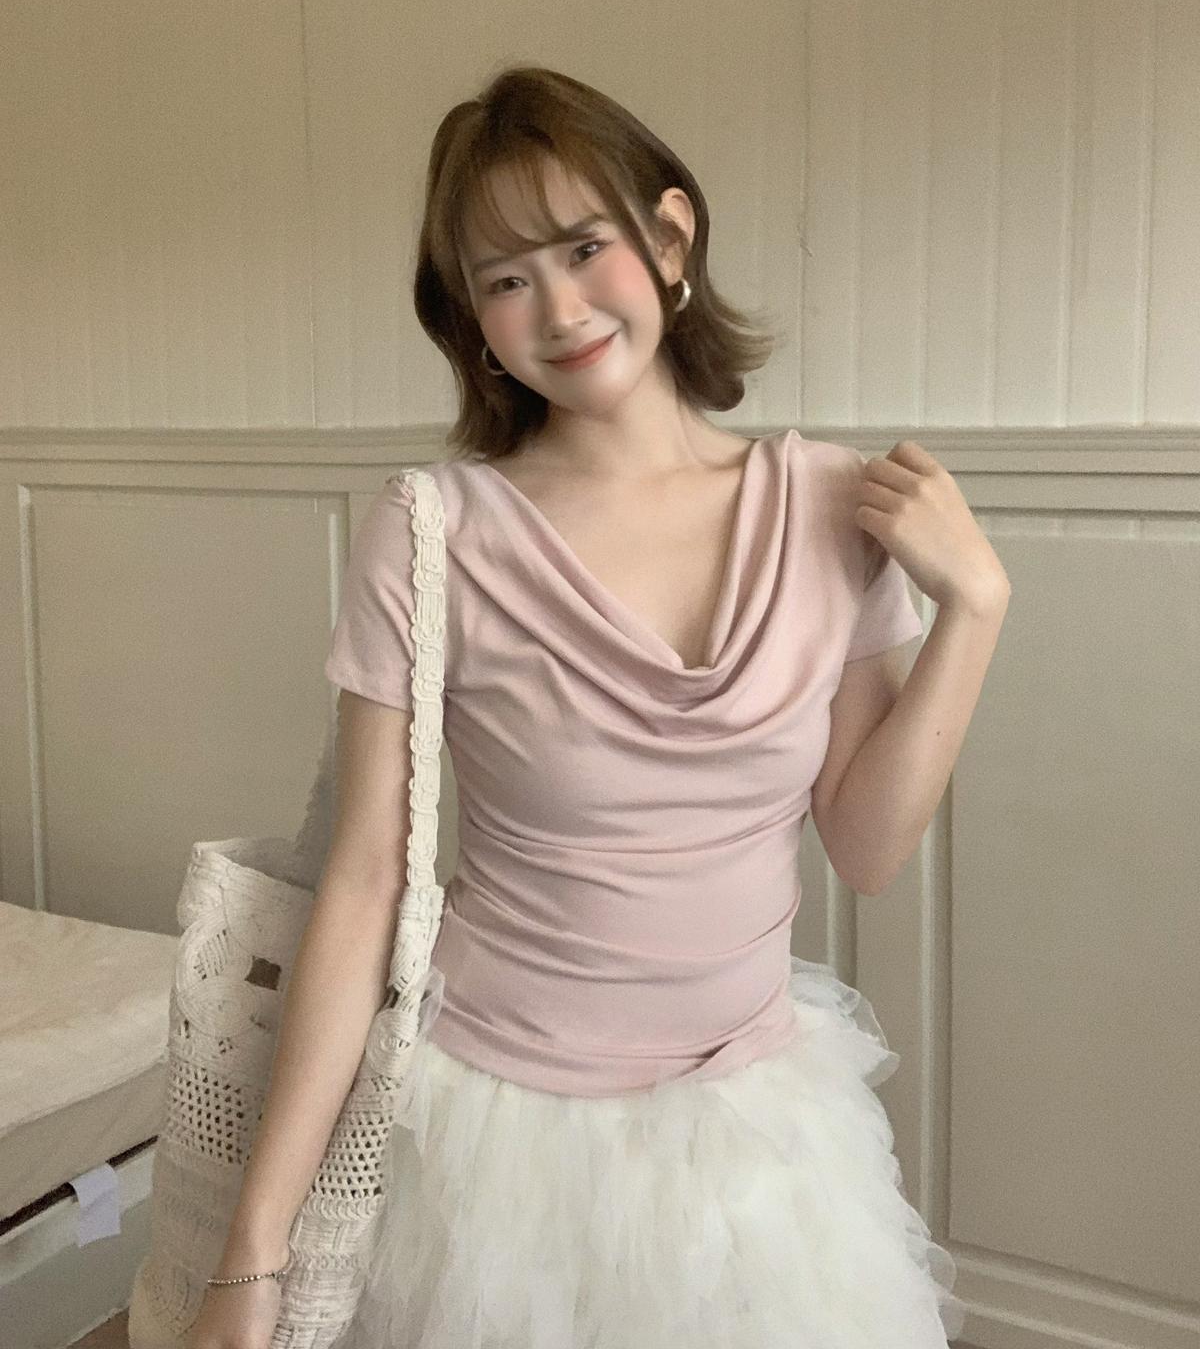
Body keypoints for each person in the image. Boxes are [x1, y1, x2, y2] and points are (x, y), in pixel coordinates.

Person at [192, 65, 1002, 1348]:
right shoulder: (434, 530)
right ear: (471, 318)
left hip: (757, 1142)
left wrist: (976, 610)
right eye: (507, 279)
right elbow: (364, 884)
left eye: (583, 248)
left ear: (670, 239)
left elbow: (865, 845)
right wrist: (255, 1251)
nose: (560, 308)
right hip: (500, 1145)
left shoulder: (832, 505)